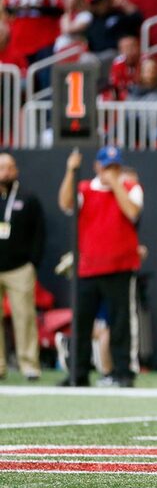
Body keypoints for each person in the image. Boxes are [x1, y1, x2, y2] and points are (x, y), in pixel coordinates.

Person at [58, 146, 143, 387]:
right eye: (107, 167)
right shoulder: (84, 188)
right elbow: (66, 205)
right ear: (97, 166)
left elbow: (132, 212)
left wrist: (115, 183)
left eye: (115, 167)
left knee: (120, 324)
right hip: (89, 266)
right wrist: (70, 171)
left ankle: (123, 372)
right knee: (82, 324)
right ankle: (78, 373)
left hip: (120, 266)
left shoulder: (130, 188)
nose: (110, 171)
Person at [0, 154, 45, 381]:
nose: (5, 172)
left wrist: (32, 263)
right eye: (1, 168)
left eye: (9, 167)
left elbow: (39, 232)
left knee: (24, 316)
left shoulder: (28, 198)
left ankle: (29, 364)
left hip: (19, 268)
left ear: (16, 170)